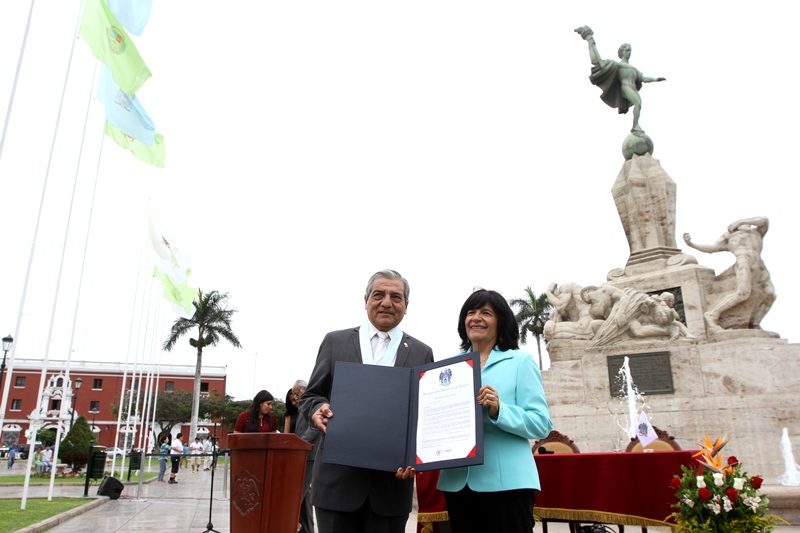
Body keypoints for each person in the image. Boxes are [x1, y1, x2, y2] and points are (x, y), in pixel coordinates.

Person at [300, 269, 434, 533]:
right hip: (336, 486)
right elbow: (311, 395)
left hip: (391, 490)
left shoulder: (421, 352)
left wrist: (417, 458)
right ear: (365, 300)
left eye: (396, 297)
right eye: (378, 294)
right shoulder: (334, 342)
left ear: (406, 306)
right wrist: (317, 409)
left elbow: (426, 416)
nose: (386, 302)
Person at [437, 289, 552, 533]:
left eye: (485, 313)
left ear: (501, 321)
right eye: (471, 312)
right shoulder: (448, 368)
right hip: (458, 483)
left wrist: (500, 411)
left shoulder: (521, 361)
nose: (476, 318)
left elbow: (541, 423)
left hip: (507, 484)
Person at [683, 216, 775, 332]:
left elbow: (764, 220)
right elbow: (712, 248)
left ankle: (755, 323)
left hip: (759, 265)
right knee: (742, 293)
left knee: (770, 294)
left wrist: (742, 221)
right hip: (744, 262)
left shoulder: (757, 231)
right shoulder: (728, 235)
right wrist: (691, 244)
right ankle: (712, 314)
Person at [575, 25, 665, 133]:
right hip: (625, 87)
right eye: (627, 50)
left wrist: (656, 79)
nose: (629, 52)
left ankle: (636, 125)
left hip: (633, 88)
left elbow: (643, 78)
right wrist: (591, 41)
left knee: (639, 105)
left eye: (630, 50)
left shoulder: (634, 69)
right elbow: (599, 61)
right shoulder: (618, 65)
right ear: (622, 52)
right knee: (637, 103)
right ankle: (636, 125)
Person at [292, 379, 320, 533]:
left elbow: (314, 427)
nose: (295, 397)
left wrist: (300, 443)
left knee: (297, 495)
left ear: (305, 389)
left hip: (309, 454)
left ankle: (289, 525)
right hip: (302, 454)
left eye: (296, 393)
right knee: (305, 497)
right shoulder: (302, 405)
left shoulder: (312, 402)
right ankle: (308, 529)